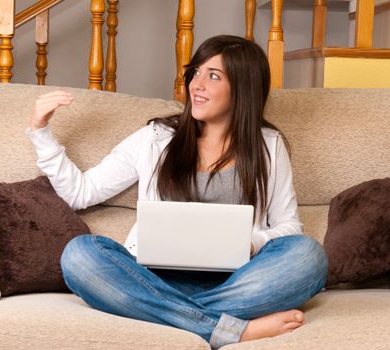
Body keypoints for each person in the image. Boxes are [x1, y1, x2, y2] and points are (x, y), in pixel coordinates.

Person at [27, 35, 328, 349]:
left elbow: (289, 227)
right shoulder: (155, 138)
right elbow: (80, 193)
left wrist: (251, 243)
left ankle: (167, 313)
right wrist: (40, 132)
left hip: (239, 281)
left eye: (213, 76)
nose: (196, 84)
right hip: (154, 279)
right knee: (79, 255)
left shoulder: (268, 146)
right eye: (196, 72)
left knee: (308, 255)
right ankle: (226, 329)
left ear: (243, 87)